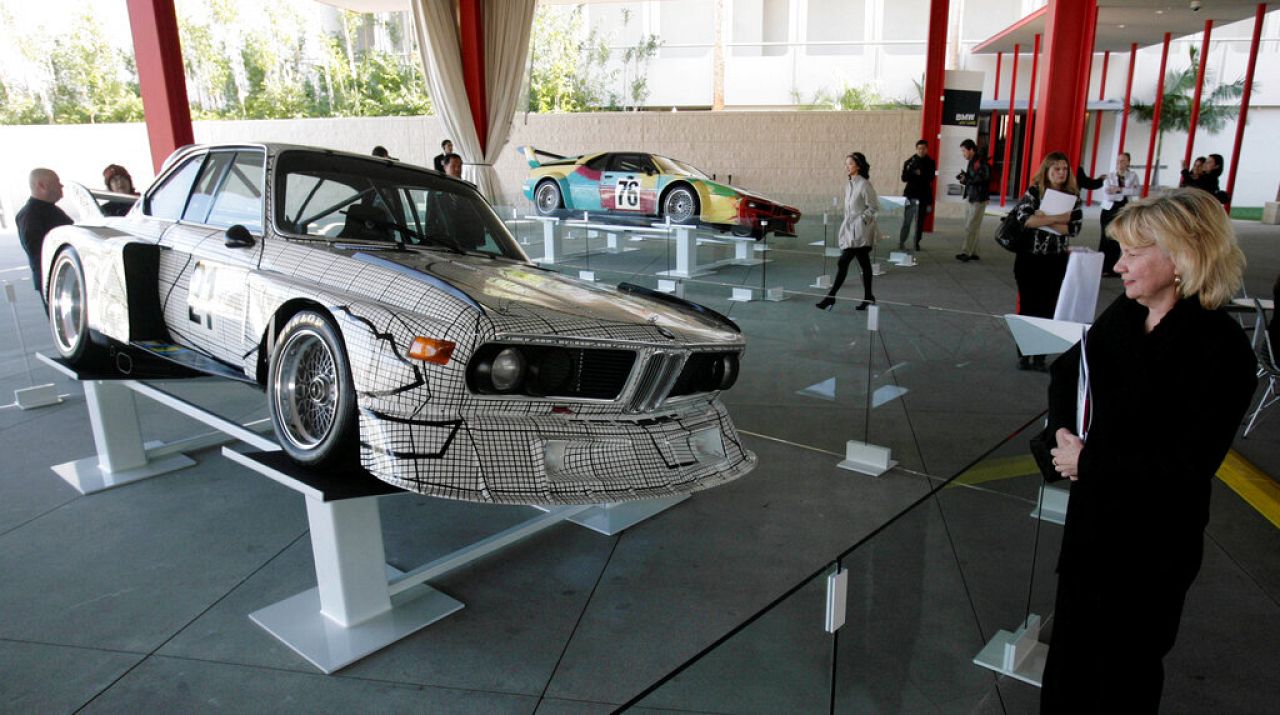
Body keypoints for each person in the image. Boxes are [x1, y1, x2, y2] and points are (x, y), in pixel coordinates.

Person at [1038, 188, 1256, 713]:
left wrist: (1089, 461)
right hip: (1093, 534)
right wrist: (1061, 438)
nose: (1120, 265)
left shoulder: (1219, 347)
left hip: (1150, 548)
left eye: (1134, 252)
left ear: (1182, 256)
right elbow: (1070, 375)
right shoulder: (1126, 315)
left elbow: (1188, 466)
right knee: (1068, 667)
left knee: (1122, 677)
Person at [1010, 151, 1082, 370]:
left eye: (1064, 169)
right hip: (1030, 260)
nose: (1061, 172)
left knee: (1048, 308)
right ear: (1047, 171)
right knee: (1029, 306)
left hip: (1055, 260)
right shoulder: (1034, 192)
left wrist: (1044, 218)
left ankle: (1040, 355)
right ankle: (1024, 354)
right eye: (1056, 168)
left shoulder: (1073, 197)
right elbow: (1026, 220)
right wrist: (1059, 219)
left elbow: (1074, 228)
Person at [816, 152, 880, 312]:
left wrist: (862, 220)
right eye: (846, 164)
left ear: (858, 165)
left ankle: (830, 298)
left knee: (843, 261)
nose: (847, 166)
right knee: (864, 264)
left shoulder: (865, 184)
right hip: (850, 229)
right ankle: (868, 296)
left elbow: (873, 207)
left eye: (850, 164)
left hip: (860, 231)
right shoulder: (849, 184)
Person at [15, 168, 72, 303]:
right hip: (56, 282)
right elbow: (38, 252)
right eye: (57, 181)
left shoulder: (50, 210)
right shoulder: (30, 216)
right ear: (42, 185)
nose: (61, 185)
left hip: (64, 277)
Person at [1098, 152, 1141, 276]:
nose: (1119, 163)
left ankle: (1112, 268)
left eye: (1123, 161)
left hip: (1123, 210)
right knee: (1105, 238)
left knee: (1118, 239)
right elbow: (1107, 195)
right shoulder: (1109, 176)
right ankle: (1102, 267)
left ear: (1128, 162)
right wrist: (1126, 191)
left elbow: (1136, 190)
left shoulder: (1133, 175)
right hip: (1108, 210)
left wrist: (1118, 189)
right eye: (1118, 161)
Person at [955, 139, 989, 262]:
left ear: (971, 150)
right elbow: (974, 177)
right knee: (974, 226)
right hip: (972, 196)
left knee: (970, 226)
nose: (963, 153)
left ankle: (966, 252)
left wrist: (966, 179)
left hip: (978, 198)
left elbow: (983, 178)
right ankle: (974, 251)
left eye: (964, 151)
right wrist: (965, 177)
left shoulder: (980, 162)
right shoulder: (973, 161)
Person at [899, 139, 935, 251]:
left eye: (923, 148)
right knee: (907, 221)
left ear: (927, 149)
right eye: (919, 148)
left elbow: (930, 178)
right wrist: (913, 172)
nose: (921, 150)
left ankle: (916, 243)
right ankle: (902, 241)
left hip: (924, 196)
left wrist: (921, 173)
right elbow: (904, 178)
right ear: (916, 149)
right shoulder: (909, 161)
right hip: (910, 195)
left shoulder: (931, 162)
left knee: (919, 223)